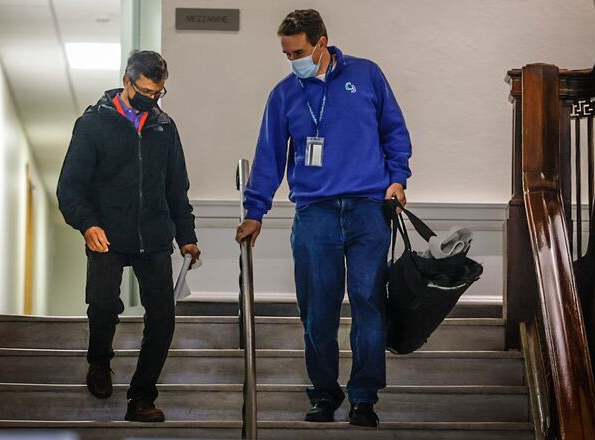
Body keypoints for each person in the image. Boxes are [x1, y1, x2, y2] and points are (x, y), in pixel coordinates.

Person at [235, 9, 412, 428]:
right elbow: (268, 157)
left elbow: (394, 131)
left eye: (297, 51)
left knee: (369, 306)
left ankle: (364, 398)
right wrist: (254, 211)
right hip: (315, 214)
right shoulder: (284, 94)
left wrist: (397, 179)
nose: (291, 59)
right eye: (285, 52)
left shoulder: (367, 76)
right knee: (317, 312)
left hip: (369, 209)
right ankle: (324, 395)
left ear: (321, 43)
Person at [57, 50, 200, 423]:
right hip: (107, 233)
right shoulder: (93, 125)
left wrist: (187, 236)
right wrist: (88, 225)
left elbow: (176, 190)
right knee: (104, 304)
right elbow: (70, 188)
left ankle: (141, 397)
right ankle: (100, 362)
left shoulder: (164, 127)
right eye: (147, 91)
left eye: (159, 93)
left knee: (163, 319)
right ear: (127, 81)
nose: (152, 99)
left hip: (153, 236)